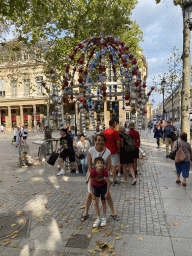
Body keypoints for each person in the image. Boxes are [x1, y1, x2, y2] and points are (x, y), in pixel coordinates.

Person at [81, 133, 119, 222]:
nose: (100, 142)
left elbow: (108, 165)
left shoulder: (108, 152)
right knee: (90, 194)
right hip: (93, 176)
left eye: (102, 140)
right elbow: (89, 165)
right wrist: (94, 177)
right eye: (98, 140)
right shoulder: (91, 150)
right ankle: (85, 213)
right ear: (95, 141)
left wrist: (103, 177)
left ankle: (113, 212)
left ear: (104, 142)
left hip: (103, 177)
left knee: (107, 195)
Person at [90, 157, 110, 227]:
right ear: (95, 165)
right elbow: (90, 183)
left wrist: (107, 192)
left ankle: (104, 217)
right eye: (98, 163)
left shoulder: (104, 171)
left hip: (103, 187)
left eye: (101, 163)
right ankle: (98, 218)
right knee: (95, 203)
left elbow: (108, 181)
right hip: (96, 187)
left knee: (103, 202)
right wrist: (92, 193)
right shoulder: (93, 172)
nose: (100, 164)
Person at [102, 119, 121, 186]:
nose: (115, 125)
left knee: (106, 165)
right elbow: (118, 142)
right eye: (115, 123)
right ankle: (114, 180)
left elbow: (102, 140)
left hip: (105, 151)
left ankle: (105, 179)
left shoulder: (104, 132)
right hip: (113, 151)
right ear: (113, 124)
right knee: (113, 166)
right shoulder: (114, 132)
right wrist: (118, 150)